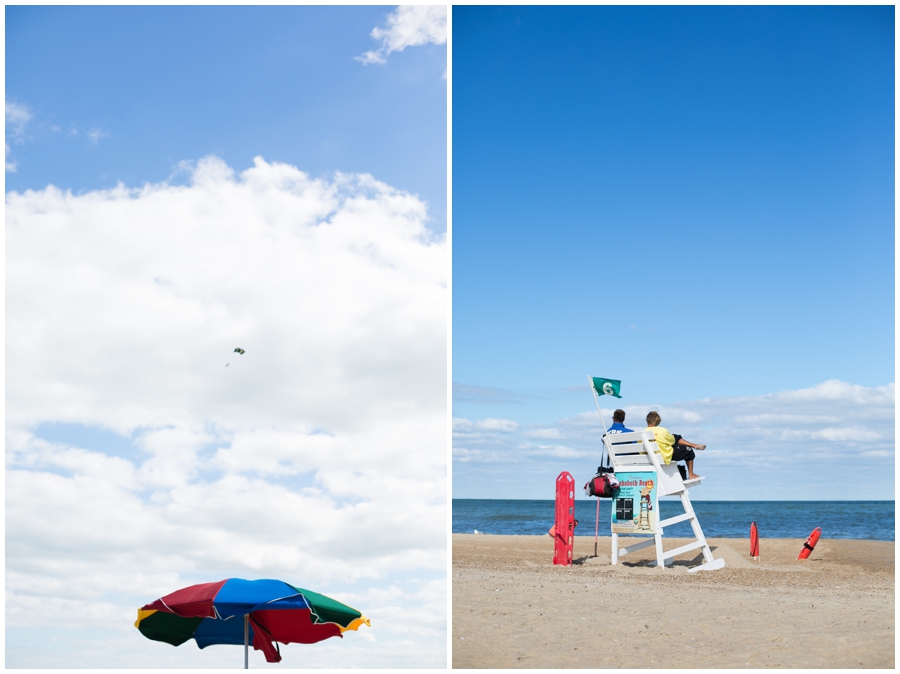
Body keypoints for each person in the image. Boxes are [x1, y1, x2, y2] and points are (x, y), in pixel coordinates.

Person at [644, 411, 706, 480]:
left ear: (647, 421)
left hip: (650, 458)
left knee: (674, 438)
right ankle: (691, 474)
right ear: (658, 420)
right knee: (688, 449)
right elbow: (673, 441)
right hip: (664, 456)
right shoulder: (662, 430)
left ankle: (694, 445)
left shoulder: (642, 433)